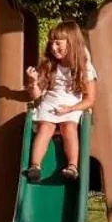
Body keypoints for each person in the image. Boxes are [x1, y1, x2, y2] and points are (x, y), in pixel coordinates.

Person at [24, 21, 98, 183]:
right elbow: (36, 96)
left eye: (58, 43)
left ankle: (72, 166)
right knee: (45, 127)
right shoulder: (49, 65)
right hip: (50, 105)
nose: (53, 47)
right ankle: (35, 166)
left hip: (71, 106)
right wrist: (33, 82)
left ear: (71, 43)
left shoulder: (84, 68)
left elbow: (90, 99)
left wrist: (71, 109)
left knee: (69, 128)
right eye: (51, 43)